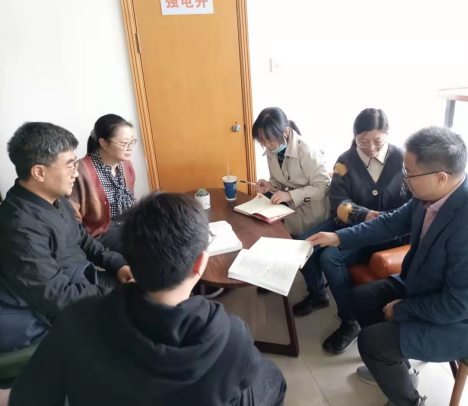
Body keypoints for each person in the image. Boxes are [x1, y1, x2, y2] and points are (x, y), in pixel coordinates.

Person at [9, 193, 287, 406]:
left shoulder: (76, 319)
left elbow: (27, 396)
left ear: (130, 254)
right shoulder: (231, 336)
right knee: (272, 376)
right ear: (200, 263)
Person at [309, 127, 468, 406]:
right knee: (361, 298)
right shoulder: (432, 195)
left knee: (371, 343)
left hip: (466, 322)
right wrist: (338, 237)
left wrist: (403, 308)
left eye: (410, 174)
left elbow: (460, 305)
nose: (405, 180)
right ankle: (399, 368)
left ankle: (409, 401)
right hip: (426, 286)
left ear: (440, 177)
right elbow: (390, 222)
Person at [0, 122, 133, 352]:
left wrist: (118, 265)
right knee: (139, 315)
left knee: (148, 288)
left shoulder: (55, 197)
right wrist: (118, 295)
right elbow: (56, 297)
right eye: (70, 166)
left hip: (76, 279)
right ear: (39, 172)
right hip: (42, 312)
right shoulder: (19, 225)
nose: (76, 173)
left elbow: (82, 238)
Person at [294, 108, 410, 355]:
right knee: (304, 243)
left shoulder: (403, 159)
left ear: (388, 135)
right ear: (354, 137)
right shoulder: (345, 161)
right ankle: (318, 293)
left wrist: (380, 219)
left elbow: (412, 205)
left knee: (331, 258)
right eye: (363, 142)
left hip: (387, 233)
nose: (371, 148)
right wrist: (364, 214)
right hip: (350, 224)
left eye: (378, 142)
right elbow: (338, 201)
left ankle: (350, 321)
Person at [253, 107, 331, 237]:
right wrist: (270, 185)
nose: (266, 145)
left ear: (286, 132)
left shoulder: (306, 151)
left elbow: (324, 187)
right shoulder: (273, 150)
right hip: (291, 209)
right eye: (262, 141)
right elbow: (279, 180)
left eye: (270, 140)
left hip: (313, 213)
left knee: (299, 243)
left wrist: (290, 195)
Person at [69, 114, 136, 256]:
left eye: (132, 141)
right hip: (99, 233)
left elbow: (131, 200)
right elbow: (72, 218)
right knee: (144, 246)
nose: (130, 148)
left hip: (128, 223)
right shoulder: (80, 171)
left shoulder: (126, 165)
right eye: (124, 143)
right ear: (104, 143)